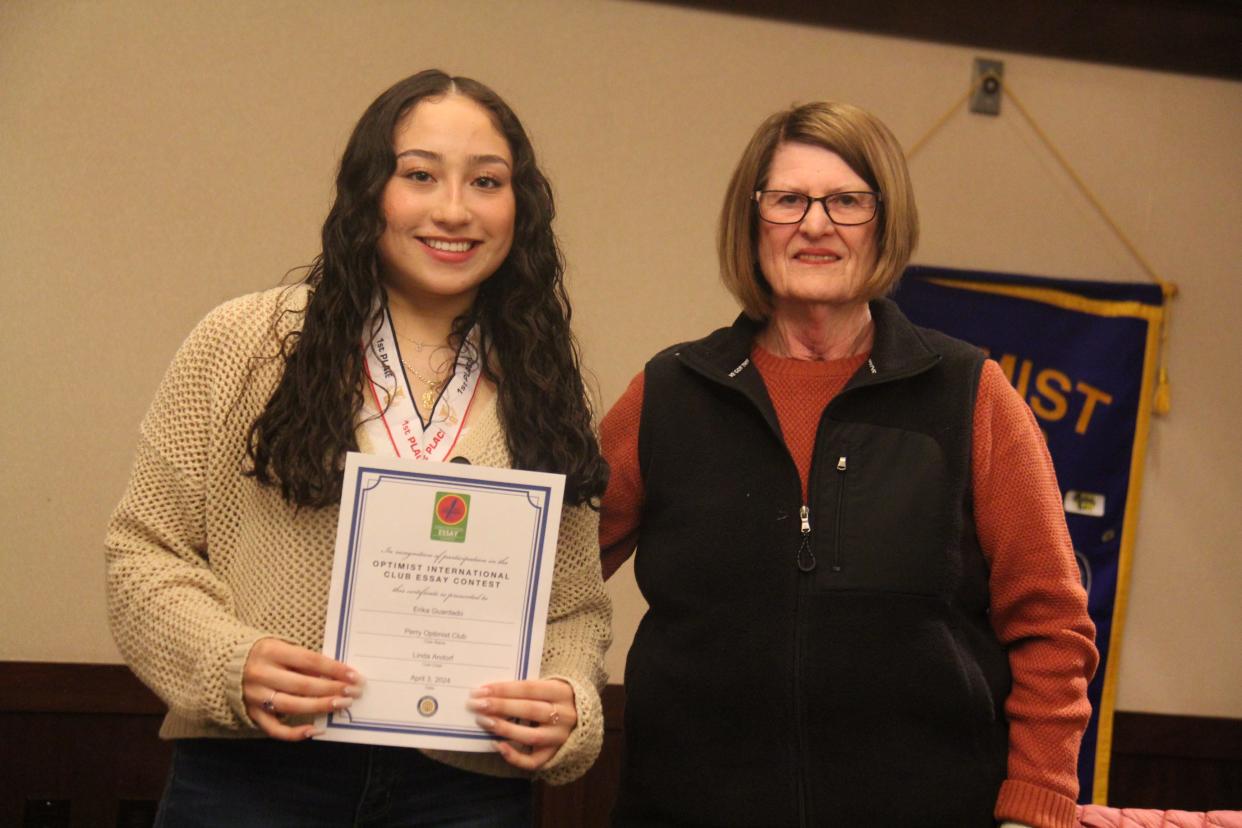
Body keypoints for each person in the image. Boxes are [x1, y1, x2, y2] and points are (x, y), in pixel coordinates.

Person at [106, 69, 611, 826]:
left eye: (486, 181)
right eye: (419, 175)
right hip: (256, 778)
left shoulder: (541, 381)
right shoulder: (244, 342)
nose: (454, 209)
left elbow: (572, 610)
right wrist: (228, 663)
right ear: (368, 190)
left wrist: (569, 701)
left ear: (521, 206)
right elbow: (143, 553)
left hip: (464, 792)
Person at [599, 101, 1098, 828]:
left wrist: (1037, 805)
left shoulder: (972, 394)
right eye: (789, 199)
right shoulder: (670, 391)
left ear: (883, 224)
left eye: (847, 201)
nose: (815, 223)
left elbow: (1053, 624)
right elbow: (555, 570)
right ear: (752, 220)